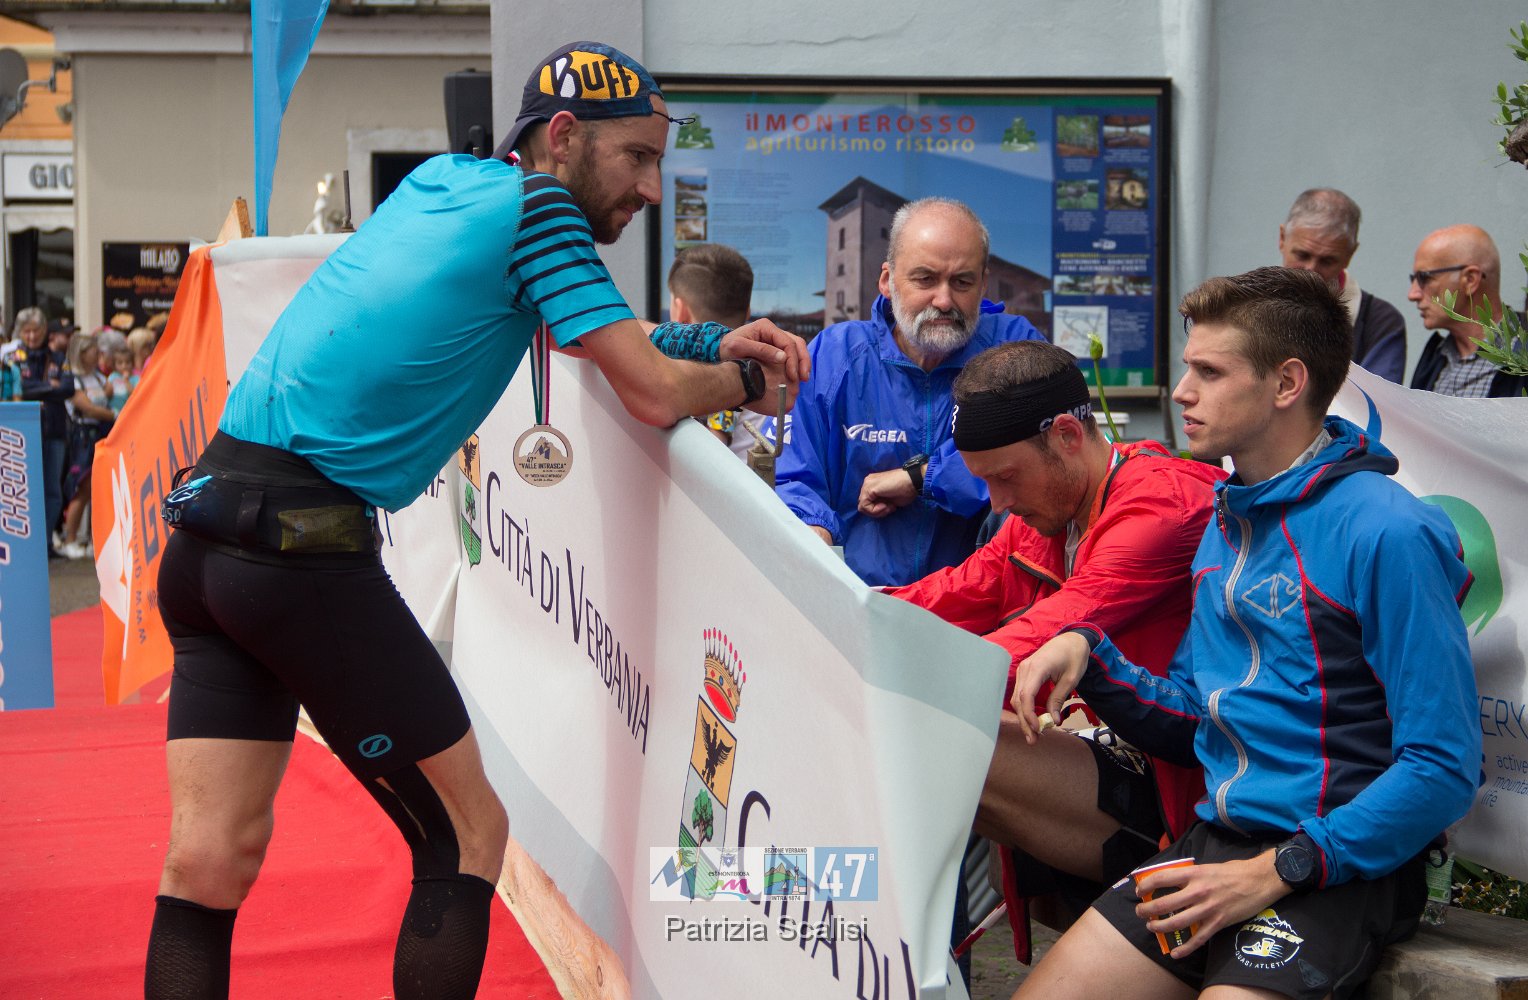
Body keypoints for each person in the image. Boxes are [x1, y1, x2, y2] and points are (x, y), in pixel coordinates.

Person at [146, 40, 810, 1000]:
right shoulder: (544, 212)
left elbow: (581, 332)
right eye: (637, 157)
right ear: (564, 136)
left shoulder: (446, 183)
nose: (651, 189)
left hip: (208, 535)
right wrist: (748, 380)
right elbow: (654, 393)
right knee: (469, 837)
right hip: (297, 553)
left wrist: (708, 337)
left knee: (206, 863)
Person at [1010, 266, 1480, 1000]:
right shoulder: (1229, 518)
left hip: (1339, 868)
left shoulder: (1388, 530)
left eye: (1209, 371)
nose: (1182, 392)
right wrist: (1089, 653)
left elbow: (1443, 767)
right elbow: (1196, 718)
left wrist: (1279, 870)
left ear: (1286, 383)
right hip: (1217, 846)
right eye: (1186, 368)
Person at [887, 340, 1224, 960]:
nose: (996, 503)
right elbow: (953, 592)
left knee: (925, 732)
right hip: (1100, 760)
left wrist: (877, 676)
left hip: (1185, 794)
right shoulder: (1044, 512)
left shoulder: (1160, 507)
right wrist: (841, 610)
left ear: (1068, 434)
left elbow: (1043, 634)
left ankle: (891, 953)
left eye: (1005, 477)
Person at [773, 197, 1046, 586]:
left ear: (983, 284)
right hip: (859, 595)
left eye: (962, 282)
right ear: (887, 280)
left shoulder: (1014, 348)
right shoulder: (834, 356)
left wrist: (923, 477)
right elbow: (790, 473)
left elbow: (1042, 453)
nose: (944, 300)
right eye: (925, 279)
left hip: (981, 603)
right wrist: (811, 530)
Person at [1276, 188, 1406, 382]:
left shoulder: (1380, 322)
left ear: (1350, 254)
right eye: (1302, 255)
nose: (1311, 270)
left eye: (1327, 261)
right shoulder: (1242, 306)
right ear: (1282, 238)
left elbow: (1374, 400)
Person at [668, 243, 772, 457]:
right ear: (748, 312)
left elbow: (712, 447)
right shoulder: (756, 367)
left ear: (680, 312)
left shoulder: (727, 370)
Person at [1407, 224, 1528, 397]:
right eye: (1413, 279)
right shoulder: (1434, 358)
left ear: (1470, 280)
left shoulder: (1522, 350)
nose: (1412, 294)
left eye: (1424, 278)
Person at [14, 307, 72, 559]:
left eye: (36, 330)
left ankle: (46, 544)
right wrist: (50, 387)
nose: (31, 336)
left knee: (53, 491)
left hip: (55, 431)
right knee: (26, 491)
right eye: (26, 331)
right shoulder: (14, 357)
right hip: (24, 434)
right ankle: (27, 545)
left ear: (44, 330)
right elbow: (22, 388)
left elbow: (68, 388)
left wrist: (39, 389)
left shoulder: (58, 357)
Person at [58, 329, 118, 560]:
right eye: (93, 350)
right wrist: (115, 414)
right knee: (81, 487)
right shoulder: (73, 379)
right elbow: (89, 408)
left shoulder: (99, 377)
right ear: (82, 353)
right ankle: (70, 538)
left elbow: (112, 392)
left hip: (102, 434)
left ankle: (95, 539)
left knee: (100, 489)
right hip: (83, 436)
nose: (98, 354)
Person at [108, 344, 139, 415]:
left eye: (127, 362)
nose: (124, 366)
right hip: (112, 411)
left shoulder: (135, 379)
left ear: (132, 363)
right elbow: (108, 393)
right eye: (120, 363)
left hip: (127, 412)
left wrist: (126, 381)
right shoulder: (113, 376)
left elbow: (134, 395)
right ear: (114, 365)